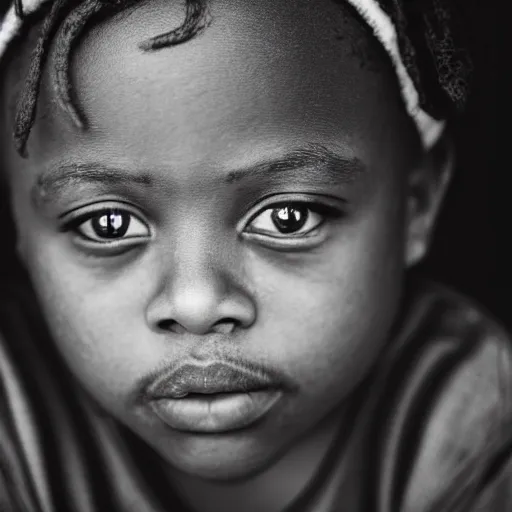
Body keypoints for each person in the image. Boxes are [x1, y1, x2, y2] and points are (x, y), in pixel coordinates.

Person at [0, 0, 509, 511]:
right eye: (108, 224)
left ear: (415, 204)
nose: (197, 305)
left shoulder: (478, 420)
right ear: (16, 222)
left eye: (288, 217)